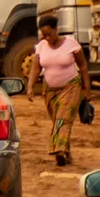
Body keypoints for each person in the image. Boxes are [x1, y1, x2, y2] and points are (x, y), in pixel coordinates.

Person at [29, 15, 91, 166]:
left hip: (71, 87)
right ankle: (66, 153)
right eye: (44, 35)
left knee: (63, 119)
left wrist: (87, 88)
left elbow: (83, 66)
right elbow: (36, 68)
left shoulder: (71, 44)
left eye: (50, 34)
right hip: (50, 91)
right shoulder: (41, 46)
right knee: (58, 120)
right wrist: (30, 87)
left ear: (56, 29)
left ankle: (58, 150)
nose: (48, 38)